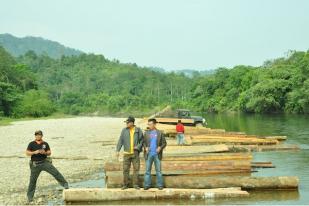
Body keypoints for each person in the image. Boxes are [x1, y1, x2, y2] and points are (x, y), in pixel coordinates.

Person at [26, 130, 68, 203]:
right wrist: (34, 152)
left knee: (56, 173)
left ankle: (65, 185)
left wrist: (44, 152)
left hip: (45, 162)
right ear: (35, 136)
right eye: (36, 135)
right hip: (35, 165)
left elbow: (49, 153)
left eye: (39, 135)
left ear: (42, 136)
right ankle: (30, 197)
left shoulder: (45, 144)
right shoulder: (31, 144)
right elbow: (27, 153)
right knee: (32, 181)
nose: (38, 136)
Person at [116, 116, 144, 190]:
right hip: (126, 153)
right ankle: (125, 185)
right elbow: (120, 140)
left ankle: (135, 185)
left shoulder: (138, 130)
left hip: (135, 153)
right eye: (126, 122)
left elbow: (142, 141)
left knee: (136, 169)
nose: (126, 124)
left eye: (128, 122)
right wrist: (117, 150)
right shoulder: (124, 130)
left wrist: (138, 147)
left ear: (132, 123)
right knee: (125, 170)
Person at [143, 118, 167, 190]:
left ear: (154, 124)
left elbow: (164, 143)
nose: (149, 125)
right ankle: (147, 185)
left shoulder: (159, 133)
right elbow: (143, 142)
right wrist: (145, 147)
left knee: (158, 171)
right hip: (148, 154)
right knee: (147, 171)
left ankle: (159, 185)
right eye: (148, 124)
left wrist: (160, 147)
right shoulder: (146, 133)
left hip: (157, 154)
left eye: (150, 124)